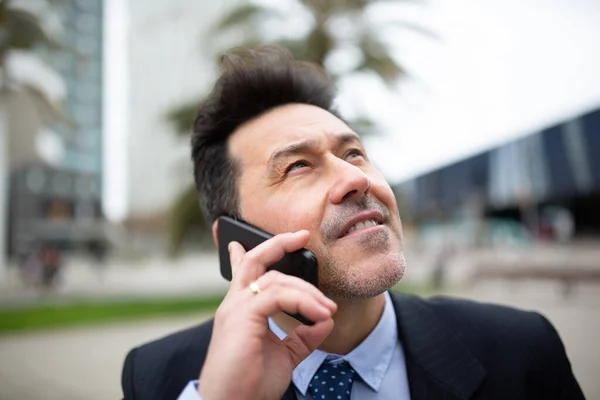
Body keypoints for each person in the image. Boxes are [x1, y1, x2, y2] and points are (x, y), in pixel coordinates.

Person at [121, 46, 584, 400]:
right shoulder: (159, 376)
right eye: (298, 166)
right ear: (232, 244)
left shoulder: (523, 349)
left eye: (354, 153)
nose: (354, 179)